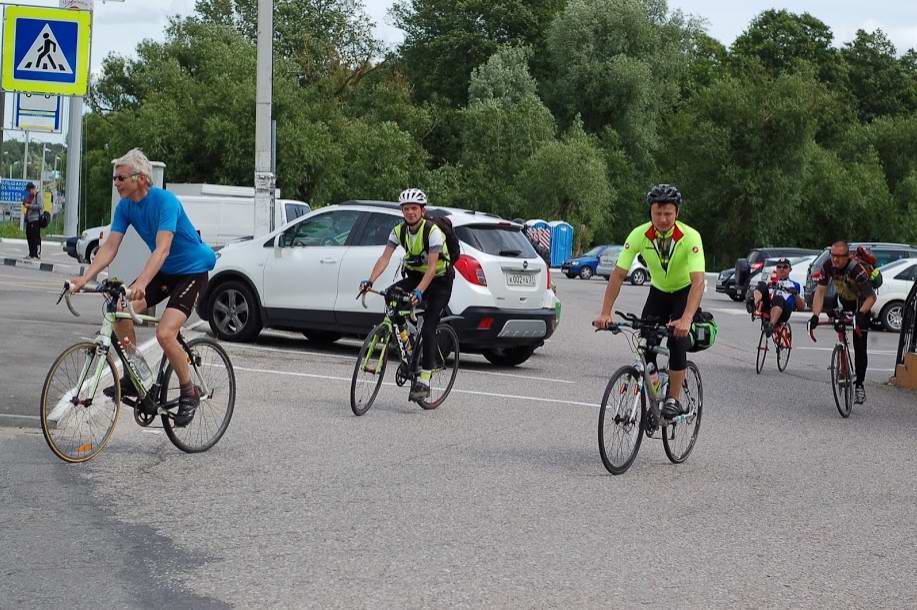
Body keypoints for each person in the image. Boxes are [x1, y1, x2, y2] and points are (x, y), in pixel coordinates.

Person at [68, 149, 217, 426]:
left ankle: (189, 391)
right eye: (114, 177)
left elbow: (162, 250)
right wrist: (84, 277)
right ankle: (137, 378)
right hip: (165, 271)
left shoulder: (165, 202)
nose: (115, 182)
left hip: (192, 270)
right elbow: (109, 247)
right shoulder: (125, 207)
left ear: (141, 178)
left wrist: (141, 284)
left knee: (165, 333)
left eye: (120, 177)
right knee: (120, 310)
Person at [593, 184, 705, 423]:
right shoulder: (639, 235)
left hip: (684, 292)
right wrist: (605, 312)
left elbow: (698, 282)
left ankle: (673, 399)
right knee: (646, 343)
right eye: (657, 213)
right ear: (650, 213)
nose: (663, 219)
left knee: (677, 340)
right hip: (659, 292)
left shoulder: (690, 237)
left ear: (677, 213)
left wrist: (686, 318)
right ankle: (655, 396)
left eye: (668, 213)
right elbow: (619, 274)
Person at [359, 188, 454, 401]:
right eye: (406, 209)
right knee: (391, 296)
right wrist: (370, 280)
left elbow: (431, 268)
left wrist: (420, 291)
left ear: (422, 210)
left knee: (429, 329)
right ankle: (407, 343)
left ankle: (425, 379)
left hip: (439, 281)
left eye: (414, 208)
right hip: (414, 276)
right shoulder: (398, 231)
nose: (410, 212)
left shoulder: (433, 232)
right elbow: (384, 258)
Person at [809, 240, 876, 404]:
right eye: (833, 256)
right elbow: (820, 292)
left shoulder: (856, 269)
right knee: (838, 323)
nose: (835, 260)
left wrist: (860, 315)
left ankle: (859, 384)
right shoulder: (827, 266)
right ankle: (842, 360)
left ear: (847, 257)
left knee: (860, 345)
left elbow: (871, 298)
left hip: (862, 305)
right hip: (844, 301)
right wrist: (815, 316)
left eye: (840, 257)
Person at [747, 257, 804, 335]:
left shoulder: (796, 285)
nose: (782, 269)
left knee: (778, 298)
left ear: (790, 269)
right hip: (769, 308)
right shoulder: (771, 282)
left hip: (784, 311)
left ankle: (771, 325)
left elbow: (802, 307)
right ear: (776, 269)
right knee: (762, 285)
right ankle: (753, 304)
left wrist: (795, 294)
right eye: (779, 267)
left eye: (785, 267)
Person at [23, 183, 42, 259]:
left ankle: (36, 254)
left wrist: (29, 206)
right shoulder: (30, 196)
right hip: (29, 219)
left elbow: (40, 206)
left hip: (35, 219)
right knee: (29, 236)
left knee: (35, 237)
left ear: (32, 189)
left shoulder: (38, 195)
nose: (29, 192)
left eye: (29, 190)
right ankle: (31, 253)